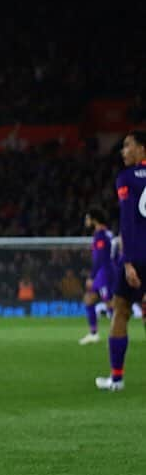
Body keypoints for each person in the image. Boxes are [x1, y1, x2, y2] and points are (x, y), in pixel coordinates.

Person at [96, 131, 146, 391]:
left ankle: (116, 378)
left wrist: (127, 262)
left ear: (141, 149)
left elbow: (127, 221)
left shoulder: (125, 178)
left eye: (127, 146)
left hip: (137, 256)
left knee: (121, 311)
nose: (123, 151)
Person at [79, 207, 114, 345]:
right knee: (89, 299)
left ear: (94, 219)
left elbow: (100, 258)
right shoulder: (107, 233)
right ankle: (94, 333)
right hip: (105, 272)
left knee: (109, 304)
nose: (86, 221)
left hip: (104, 273)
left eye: (87, 218)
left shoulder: (101, 235)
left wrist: (92, 276)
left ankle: (116, 334)